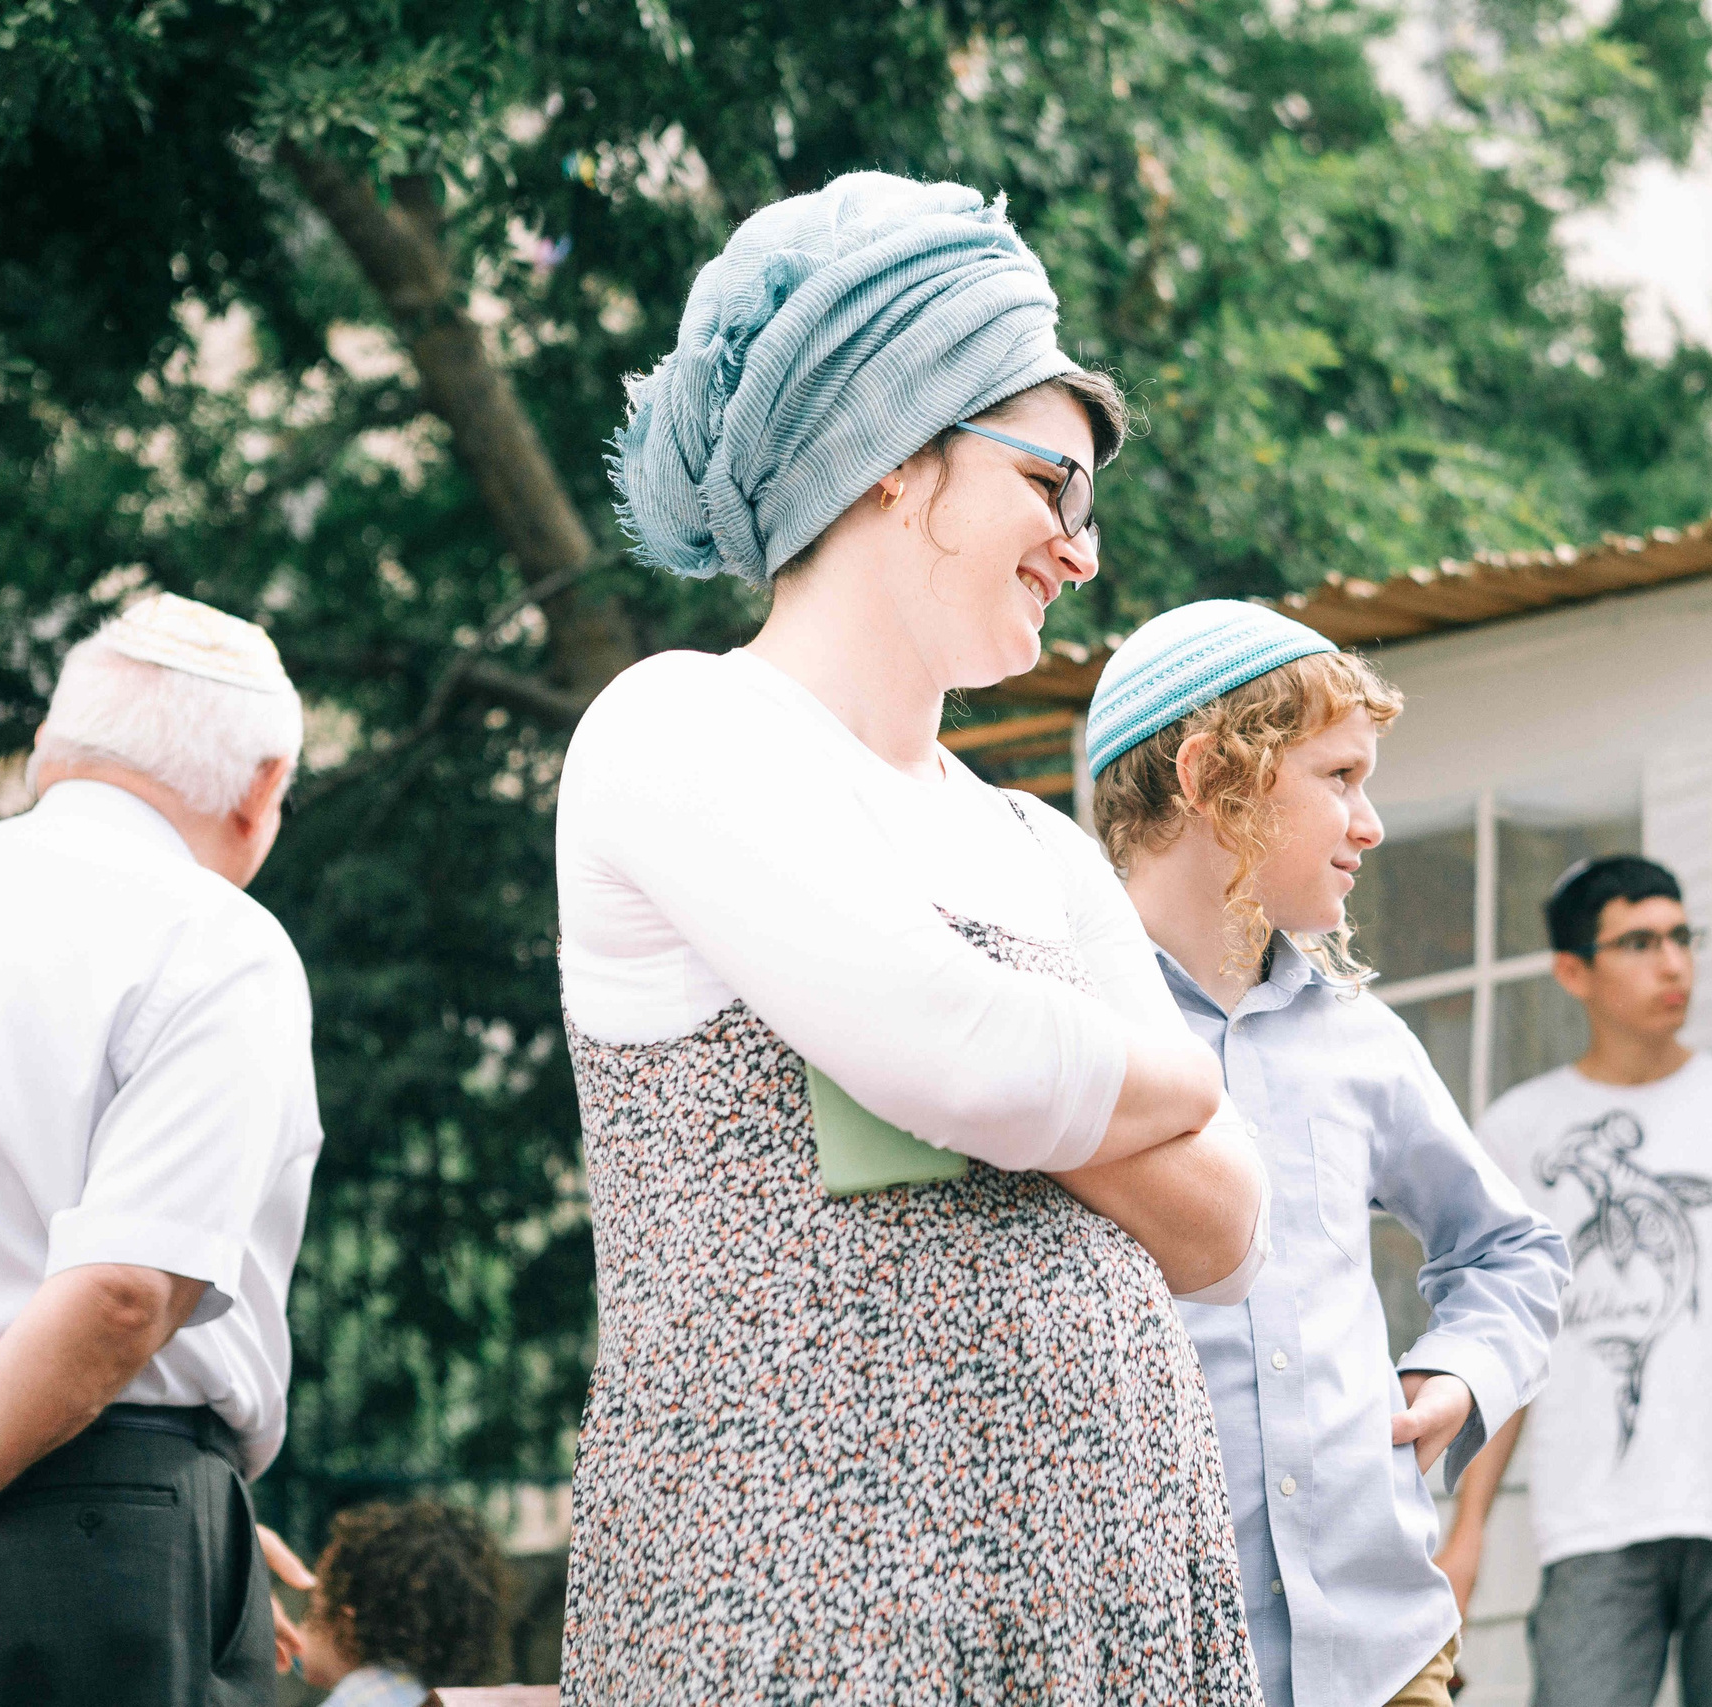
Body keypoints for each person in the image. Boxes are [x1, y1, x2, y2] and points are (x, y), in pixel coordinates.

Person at [557, 171, 1269, 1704]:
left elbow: (1223, 1224)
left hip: (1110, 1597)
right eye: (1053, 483)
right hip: (804, 1597)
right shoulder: (678, 726)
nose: (1083, 548)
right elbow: (952, 1047)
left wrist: (1038, 1085)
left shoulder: (1036, 841)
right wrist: (1166, 1079)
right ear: (894, 454)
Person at [1089, 601, 1569, 1707]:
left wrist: (1459, 1377)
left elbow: (1515, 1252)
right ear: (1216, 778)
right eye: (1339, 777)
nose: (1372, 822)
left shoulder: (1361, 1040)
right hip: (1150, 1660)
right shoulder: (1058, 1023)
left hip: (1384, 1652)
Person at [0, 592, 325, 1706]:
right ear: (264, 788)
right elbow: (126, 1292)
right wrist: (159, 1496)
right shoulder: (215, 939)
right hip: (97, 1498)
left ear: (49, 755)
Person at [1441, 854, 1712, 1707]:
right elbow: (1508, 1347)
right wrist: (1465, 1537)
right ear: (1573, 971)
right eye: (1637, 942)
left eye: (1680, 936)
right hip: (1591, 1521)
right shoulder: (1519, 1129)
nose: (1672, 962)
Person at [295, 1500, 512, 1707]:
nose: (299, 1626)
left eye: (311, 1610)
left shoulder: (361, 1697)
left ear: (346, 1626)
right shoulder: (456, 1696)